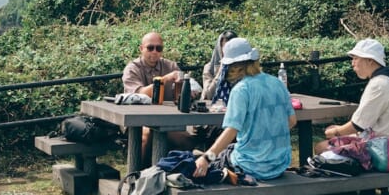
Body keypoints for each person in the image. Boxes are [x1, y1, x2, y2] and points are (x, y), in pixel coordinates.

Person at [193, 38, 296, 181]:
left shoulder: (241, 89)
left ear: (232, 66)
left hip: (249, 165)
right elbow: (292, 121)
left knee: (200, 164)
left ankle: (201, 156)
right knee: (228, 149)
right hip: (279, 165)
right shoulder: (277, 83)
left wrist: (207, 158)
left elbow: (231, 131)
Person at [315, 38, 389, 164]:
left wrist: (336, 132)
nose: (352, 63)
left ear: (370, 60)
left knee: (321, 147)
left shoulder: (378, 84)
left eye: (356, 58)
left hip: (382, 153)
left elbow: (358, 125)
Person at [122, 32, 196, 164]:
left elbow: (181, 93)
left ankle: (169, 170)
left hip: (166, 120)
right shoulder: (132, 68)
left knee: (188, 139)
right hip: (137, 120)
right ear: (141, 48)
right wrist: (165, 79)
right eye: (150, 48)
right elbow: (139, 94)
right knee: (146, 136)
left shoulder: (171, 66)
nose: (155, 52)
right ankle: (135, 173)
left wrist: (189, 91)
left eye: (159, 48)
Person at [201, 30, 238, 103]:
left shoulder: (243, 67)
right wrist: (220, 71)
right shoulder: (209, 68)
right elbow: (209, 94)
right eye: (225, 48)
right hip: (214, 107)